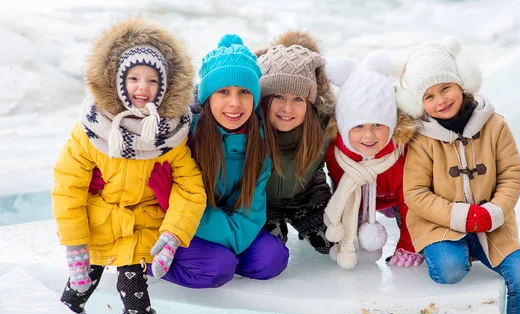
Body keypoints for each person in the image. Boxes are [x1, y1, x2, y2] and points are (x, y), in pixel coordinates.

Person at [52, 18, 206, 314]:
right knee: (80, 281)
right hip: (98, 223)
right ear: (120, 82)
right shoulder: (92, 128)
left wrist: (171, 235)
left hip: (141, 225)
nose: (143, 88)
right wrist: (75, 242)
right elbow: (68, 184)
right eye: (135, 78)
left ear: (163, 87)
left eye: (152, 81)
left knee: (132, 284)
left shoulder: (171, 133)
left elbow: (190, 187)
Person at [396, 36, 520, 314]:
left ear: (461, 84)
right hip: (442, 224)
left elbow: (512, 174)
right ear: (420, 103)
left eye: (445, 88)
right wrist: (460, 218)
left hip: (492, 225)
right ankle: (462, 249)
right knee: (449, 271)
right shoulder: (422, 138)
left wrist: (495, 211)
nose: (440, 100)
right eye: (429, 96)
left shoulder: (494, 124)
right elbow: (415, 195)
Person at [148, 34, 290, 288]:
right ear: (208, 96)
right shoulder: (183, 136)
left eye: (244, 92)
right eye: (223, 91)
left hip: (220, 225)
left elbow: (249, 216)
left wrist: (224, 234)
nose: (234, 103)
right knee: (217, 267)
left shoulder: (260, 144)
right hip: (173, 226)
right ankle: (144, 261)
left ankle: (219, 255)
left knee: (272, 259)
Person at [324, 51, 420, 269]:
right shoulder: (337, 152)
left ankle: (389, 213)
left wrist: (408, 244)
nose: (368, 136)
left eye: (377, 124)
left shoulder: (402, 151)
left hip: (397, 196)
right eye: (358, 126)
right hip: (359, 196)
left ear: (392, 123)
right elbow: (341, 190)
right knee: (357, 244)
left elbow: (411, 202)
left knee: (411, 222)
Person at [256, 31, 335, 254]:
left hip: (307, 197)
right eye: (278, 96)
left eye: (298, 99)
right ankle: (276, 222)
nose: (287, 108)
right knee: (270, 249)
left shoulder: (324, 123)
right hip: (263, 203)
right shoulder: (251, 125)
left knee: (331, 243)